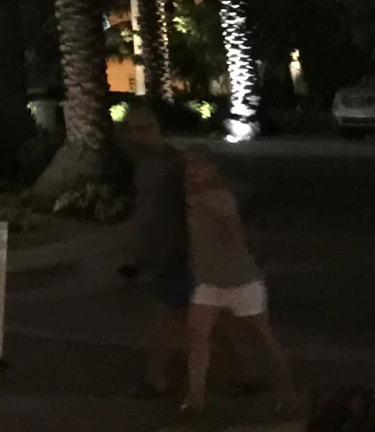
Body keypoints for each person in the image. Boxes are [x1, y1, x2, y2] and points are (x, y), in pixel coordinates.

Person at [182, 149, 295, 417]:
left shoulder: (219, 199)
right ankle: (194, 397)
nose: (193, 170)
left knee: (262, 337)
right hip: (208, 282)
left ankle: (287, 393)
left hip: (240, 280)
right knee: (199, 337)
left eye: (199, 165)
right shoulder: (190, 198)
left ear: (213, 169)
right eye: (188, 165)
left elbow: (234, 233)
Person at [116, 103, 191, 399]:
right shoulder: (142, 158)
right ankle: (250, 374)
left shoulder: (174, 163)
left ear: (152, 127)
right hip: (161, 252)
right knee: (196, 317)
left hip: (178, 251)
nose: (132, 136)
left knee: (167, 317)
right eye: (130, 129)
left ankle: (156, 378)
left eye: (138, 128)